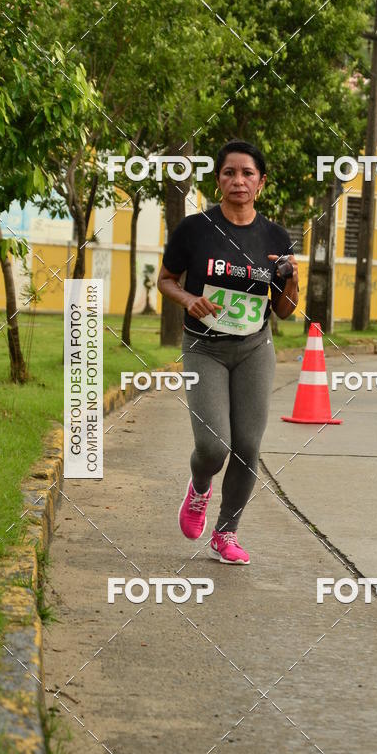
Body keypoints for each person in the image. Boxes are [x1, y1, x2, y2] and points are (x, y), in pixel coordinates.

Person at [157, 139, 299, 564]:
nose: (238, 180)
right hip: (204, 347)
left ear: (261, 182)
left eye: (247, 174)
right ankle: (200, 487)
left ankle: (226, 532)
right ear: (218, 179)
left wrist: (291, 279)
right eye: (229, 173)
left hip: (255, 346)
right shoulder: (195, 229)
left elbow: (285, 311)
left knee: (248, 447)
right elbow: (166, 279)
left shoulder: (275, 236)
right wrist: (188, 300)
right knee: (214, 445)